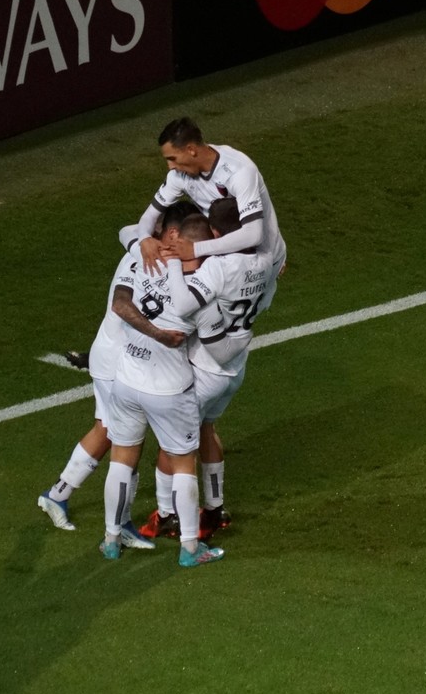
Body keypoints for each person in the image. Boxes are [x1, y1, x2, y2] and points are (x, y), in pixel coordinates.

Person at [36, 209, 193, 539]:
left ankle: (61, 497)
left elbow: (127, 231)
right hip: (118, 360)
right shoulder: (149, 255)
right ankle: (99, 516)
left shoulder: (139, 247)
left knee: (109, 431)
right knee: (119, 438)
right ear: (172, 234)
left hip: (115, 355)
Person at [101, 213, 229, 566]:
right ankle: (190, 549)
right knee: (184, 464)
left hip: (127, 377)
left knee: (121, 460)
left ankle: (112, 539)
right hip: (170, 390)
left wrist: (152, 332)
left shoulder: (144, 258)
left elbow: (121, 301)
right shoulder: (202, 292)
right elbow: (219, 348)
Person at [149, 207, 282, 543]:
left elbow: (182, 304)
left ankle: (167, 515)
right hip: (234, 370)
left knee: (174, 447)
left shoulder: (220, 267)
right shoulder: (266, 261)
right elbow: (266, 299)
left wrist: (177, 262)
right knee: (207, 429)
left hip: (204, 371)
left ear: (219, 236)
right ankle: (214, 509)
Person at [123, 117, 288, 271]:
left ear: (191, 150)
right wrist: (145, 238)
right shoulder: (178, 176)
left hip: (263, 259)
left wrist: (195, 249)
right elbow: (150, 215)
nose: (170, 166)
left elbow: (253, 234)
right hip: (227, 256)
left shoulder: (239, 171)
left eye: (172, 158)